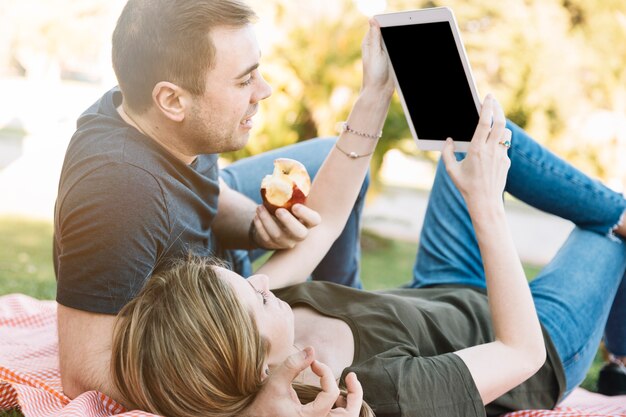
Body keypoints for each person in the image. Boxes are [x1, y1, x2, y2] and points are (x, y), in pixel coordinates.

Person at [110, 90, 626, 417]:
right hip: (542, 340)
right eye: (255, 298)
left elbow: (326, 222)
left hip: (442, 291)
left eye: (245, 280)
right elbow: (522, 353)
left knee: (472, 134)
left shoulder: (273, 317)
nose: (262, 280)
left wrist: (375, 92)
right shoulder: (374, 393)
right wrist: (487, 205)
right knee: (609, 234)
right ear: (258, 366)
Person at [52, 0, 375, 405]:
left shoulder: (161, 119)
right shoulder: (118, 195)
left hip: (218, 263)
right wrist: (251, 409)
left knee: (334, 160)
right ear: (171, 101)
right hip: (218, 306)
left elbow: (196, 185)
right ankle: (348, 319)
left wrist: (254, 224)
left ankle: (345, 299)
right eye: (244, 81)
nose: (265, 91)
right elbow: (82, 375)